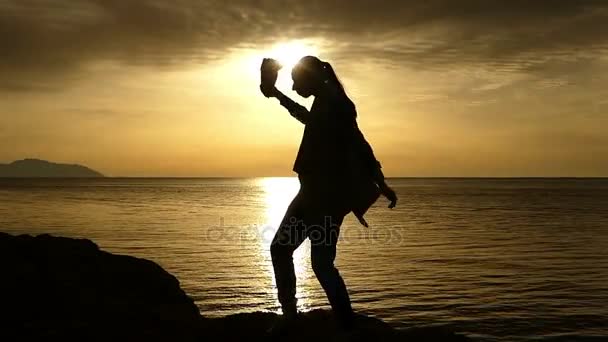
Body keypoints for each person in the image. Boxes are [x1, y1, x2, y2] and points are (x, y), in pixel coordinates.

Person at [261, 56, 397, 331]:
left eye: (296, 81)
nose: (294, 85)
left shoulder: (336, 105)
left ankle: (295, 318)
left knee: (291, 253)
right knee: (316, 262)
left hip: (321, 197)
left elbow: (358, 142)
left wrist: (379, 181)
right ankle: (336, 320)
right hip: (318, 194)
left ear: (310, 78)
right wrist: (277, 94)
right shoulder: (327, 102)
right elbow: (309, 120)